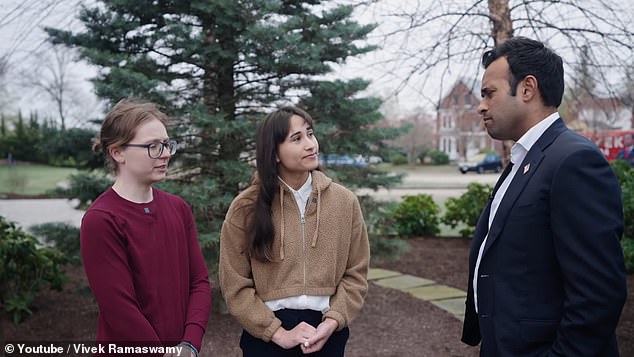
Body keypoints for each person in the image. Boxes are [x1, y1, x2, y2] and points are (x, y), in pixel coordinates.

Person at [461, 37, 627, 356]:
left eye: (489, 93)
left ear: (527, 89)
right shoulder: (526, 159)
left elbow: (598, 295)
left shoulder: (574, 161)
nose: (481, 105)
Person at [219, 106, 369, 356]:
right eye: (297, 138)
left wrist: (332, 322)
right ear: (274, 153)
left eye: (310, 134)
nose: (310, 144)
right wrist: (278, 333)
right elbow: (234, 284)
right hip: (266, 339)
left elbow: (356, 274)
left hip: (326, 334)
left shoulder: (345, 202)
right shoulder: (245, 207)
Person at [80, 99, 211, 357]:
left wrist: (190, 344)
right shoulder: (101, 219)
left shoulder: (178, 208)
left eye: (166, 144)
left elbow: (199, 283)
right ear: (118, 152)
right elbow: (119, 310)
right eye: (153, 146)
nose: (166, 153)